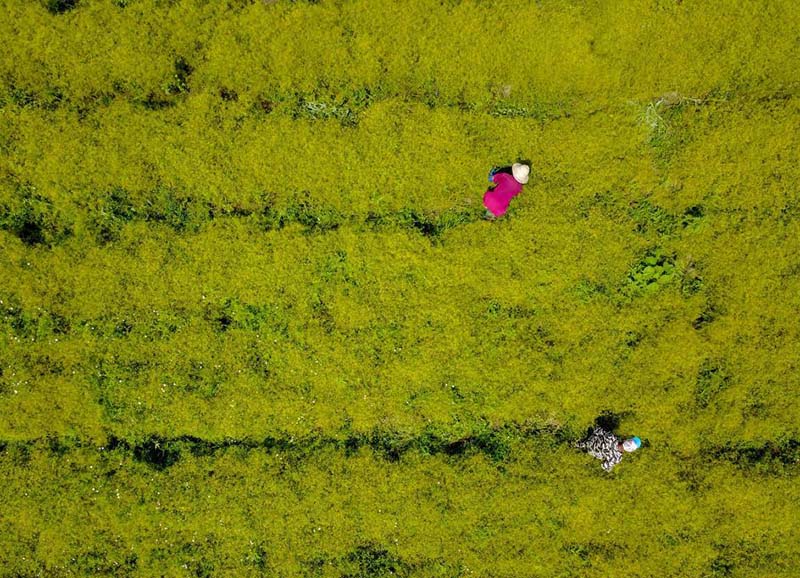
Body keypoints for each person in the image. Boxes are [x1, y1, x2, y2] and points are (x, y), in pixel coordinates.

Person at [575, 426, 641, 471]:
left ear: (626, 440)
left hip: (589, 441)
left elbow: (598, 430)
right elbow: (604, 466)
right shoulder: (617, 458)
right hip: (591, 452)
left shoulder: (612, 438)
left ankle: (578, 443)